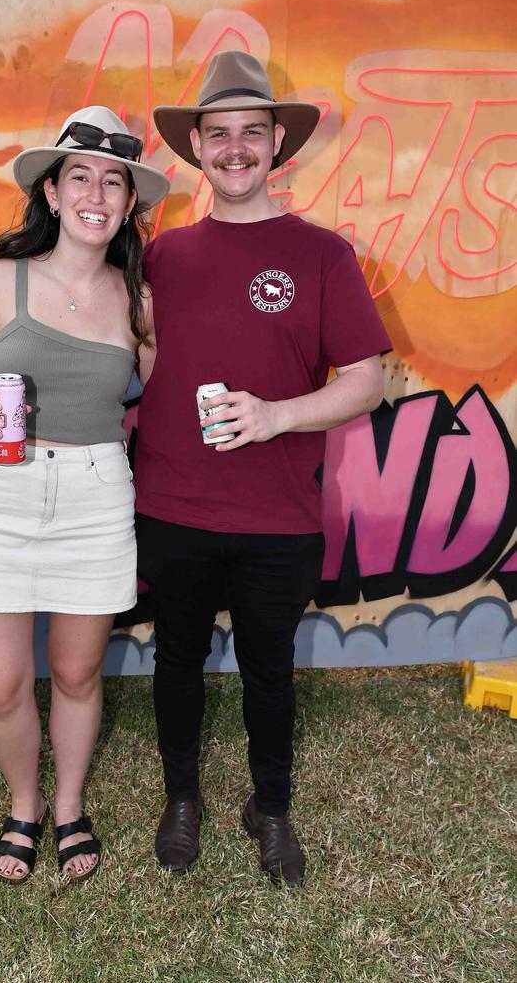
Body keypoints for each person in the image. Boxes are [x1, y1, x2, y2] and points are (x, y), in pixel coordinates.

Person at [134, 51, 392, 887]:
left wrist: (277, 414)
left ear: (277, 144)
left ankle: (269, 809)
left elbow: (367, 381)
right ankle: (182, 799)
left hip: (279, 513)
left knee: (268, 668)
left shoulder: (323, 256)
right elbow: (139, 355)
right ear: (196, 149)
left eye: (252, 133)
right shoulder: (164, 256)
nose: (235, 149)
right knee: (176, 659)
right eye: (219, 134)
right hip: (171, 501)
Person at [0, 106, 169, 885]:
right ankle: (24, 801)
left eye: (114, 182)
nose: (97, 193)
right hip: (0, 492)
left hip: (97, 496)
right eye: (81, 177)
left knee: (76, 674)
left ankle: (69, 804)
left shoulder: (138, 297)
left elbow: (162, 394)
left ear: (128, 202)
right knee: (0, 682)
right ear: (54, 193)